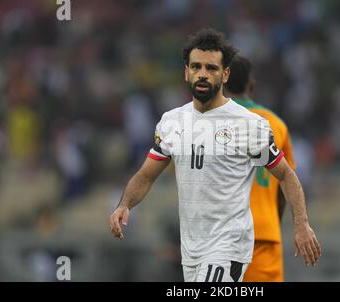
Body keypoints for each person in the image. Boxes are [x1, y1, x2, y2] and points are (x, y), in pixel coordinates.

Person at [109, 28, 321, 282]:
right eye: (196, 67)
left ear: (225, 74)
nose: (202, 74)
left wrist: (301, 224)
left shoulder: (248, 125)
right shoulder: (172, 122)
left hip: (229, 245)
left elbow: (286, 175)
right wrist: (124, 205)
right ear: (186, 71)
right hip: (192, 248)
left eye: (211, 68)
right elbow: (145, 176)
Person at [225, 55, 295, 282]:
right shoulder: (276, 124)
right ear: (252, 85)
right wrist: (274, 221)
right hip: (264, 232)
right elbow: (286, 186)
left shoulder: (210, 123)